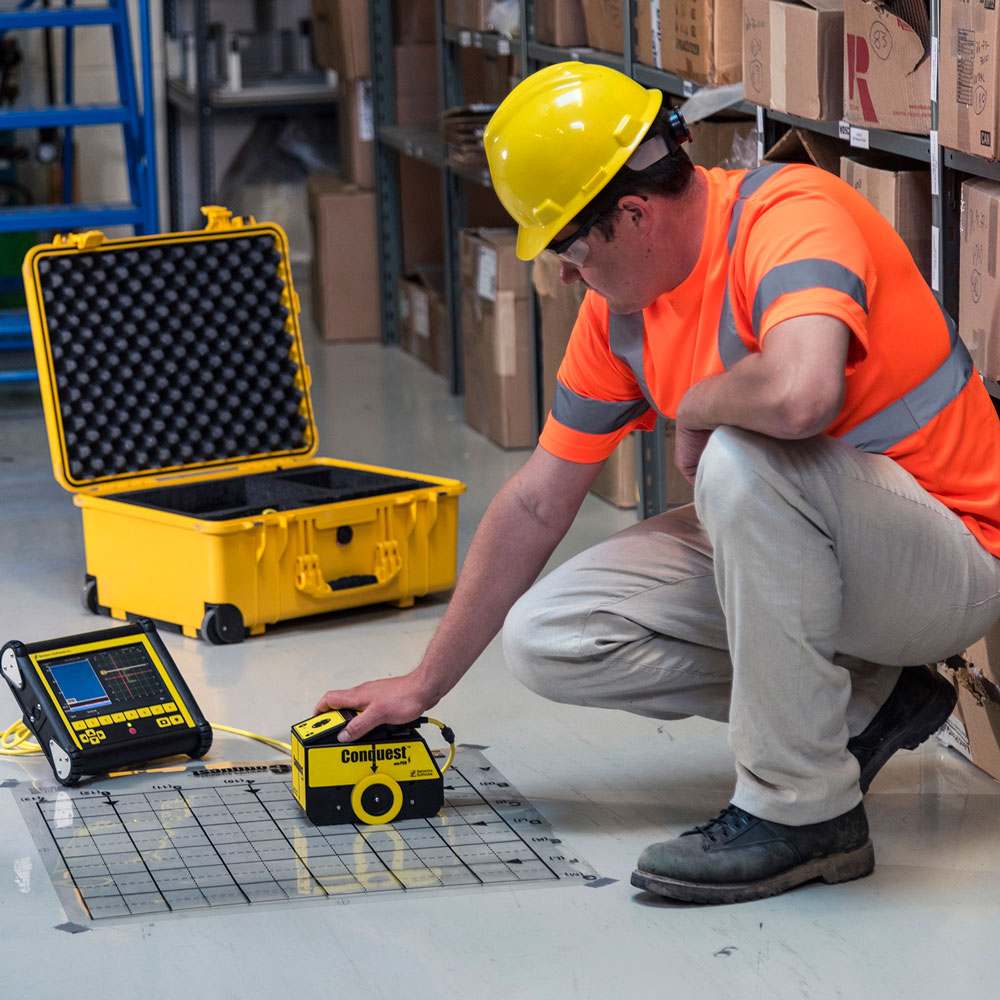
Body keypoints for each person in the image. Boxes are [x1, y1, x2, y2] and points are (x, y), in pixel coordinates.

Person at [315, 63, 1000, 904]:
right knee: (549, 637)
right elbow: (537, 500)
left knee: (741, 456)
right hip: (828, 555)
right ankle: (869, 704)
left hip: (949, 560)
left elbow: (801, 393)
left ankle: (802, 811)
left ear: (634, 214)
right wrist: (423, 682)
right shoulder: (621, 317)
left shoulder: (790, 216)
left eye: (569, 247)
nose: (567, 274)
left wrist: (698, 408)